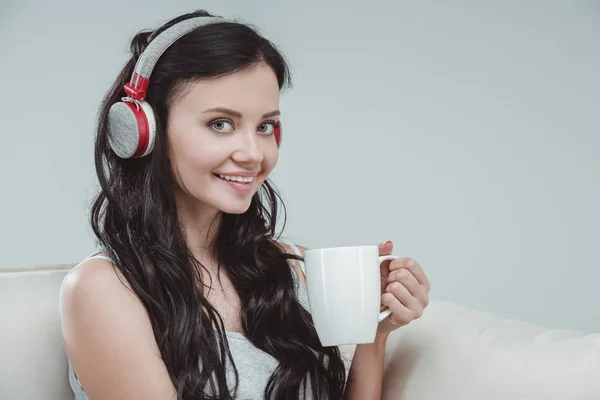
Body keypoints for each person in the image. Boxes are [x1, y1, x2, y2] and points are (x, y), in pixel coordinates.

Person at [59, 9, 431, 400]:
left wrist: (373, 331)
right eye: (221, 124)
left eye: (265, 126)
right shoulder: (102, 290)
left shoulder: (293, 269)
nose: (253, 153)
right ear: (142, 132)